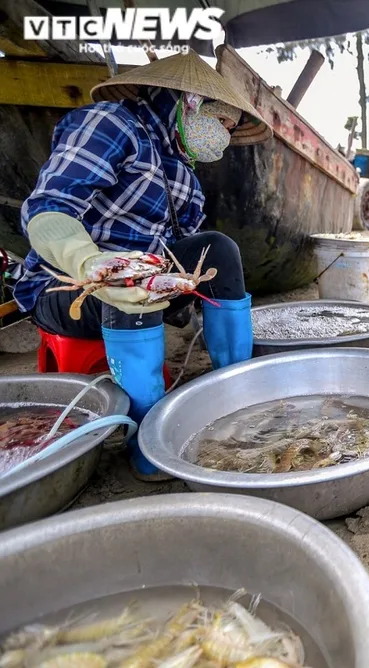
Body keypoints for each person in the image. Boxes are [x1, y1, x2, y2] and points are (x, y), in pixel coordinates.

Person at [13, 51, 272, 482]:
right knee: (132, 276)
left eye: (229, 127)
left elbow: (179, 248)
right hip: (69, 288)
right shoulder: (110, 124)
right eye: (220, 120)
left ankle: (233, 391)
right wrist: (92, 262)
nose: (224, 134)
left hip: (143, 290)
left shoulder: (184, 173)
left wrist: (183, 294)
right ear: (187, 102)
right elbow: (47, 210)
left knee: (219, 247)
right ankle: (149, 438)